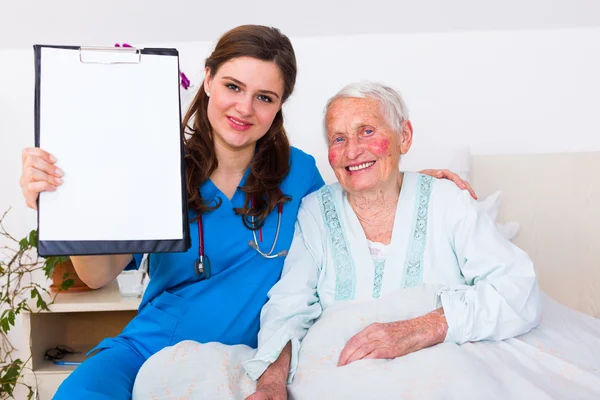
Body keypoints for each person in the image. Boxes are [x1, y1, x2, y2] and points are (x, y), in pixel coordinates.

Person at [20, 27, 473, 399]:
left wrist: (405, 181)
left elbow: (350, 208)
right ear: (208, 79)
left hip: (258, 358)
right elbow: (96, 275)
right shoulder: (155, 169)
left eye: (264, 97)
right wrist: (70, 205)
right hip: (153, 348)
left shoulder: (300, 173)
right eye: (233, 87)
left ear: (279, 107)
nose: (244, 108)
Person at [131, 82, 540, 400]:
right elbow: (291, 305)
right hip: (333, 371)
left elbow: (517, 289)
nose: (352, 150)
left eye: (367, 131)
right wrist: (273, 381)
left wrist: (418, 329)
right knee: (166, 373)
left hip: (434, 366)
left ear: (405, 136)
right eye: (338, 139)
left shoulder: (447, 202)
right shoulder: (315, 210)